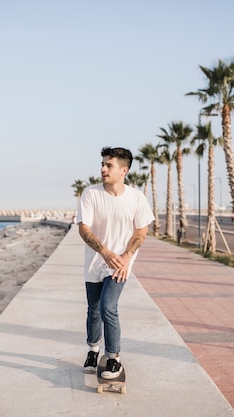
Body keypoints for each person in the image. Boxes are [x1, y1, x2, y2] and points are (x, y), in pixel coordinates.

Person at [76, 146, 154, 379]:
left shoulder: (136, 198)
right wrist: (104, 252)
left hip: (120, 264)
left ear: (124, 170)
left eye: (108, 165)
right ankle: (92, 349)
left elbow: (141, 230)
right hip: (95, 262)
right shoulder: (91, 194)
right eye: (102, 164)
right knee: (93, 311)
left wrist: (126, 258)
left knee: (108, 307)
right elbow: (84, 228)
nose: (103, 169)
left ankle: (113, 359)